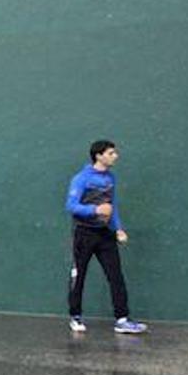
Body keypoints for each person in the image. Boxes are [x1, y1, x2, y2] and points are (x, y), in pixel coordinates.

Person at [65, 139, 148, 334]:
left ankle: (122, 319)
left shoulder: (111, 178)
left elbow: (113, 207)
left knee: (116, 276)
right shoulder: (81, 178)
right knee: (79, 275)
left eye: (114, 152)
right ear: (99, 156)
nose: (115, 156)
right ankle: (75, 316)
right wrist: (95, 210)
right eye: (111, 153)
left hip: (105, 235)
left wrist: (118, 228)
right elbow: (71, 206)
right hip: (84, 234)